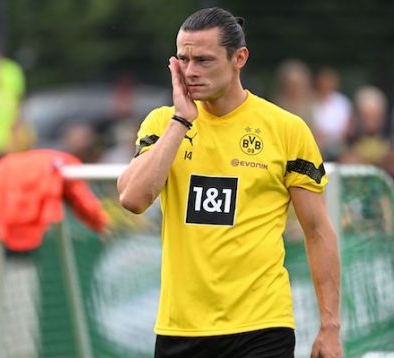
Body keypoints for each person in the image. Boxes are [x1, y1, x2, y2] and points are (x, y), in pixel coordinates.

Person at [117, 7, 342, 358]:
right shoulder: (163, 124)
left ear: (239, 58)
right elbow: (132, 198)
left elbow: (318, 231)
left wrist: (330, 327)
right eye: (184, 59)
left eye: (204, 60)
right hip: (181, 329)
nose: (191, 71)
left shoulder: (286, 129)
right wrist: (181, 121)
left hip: (262, 326)